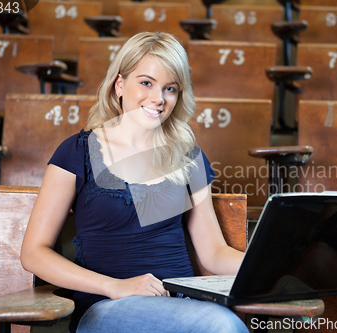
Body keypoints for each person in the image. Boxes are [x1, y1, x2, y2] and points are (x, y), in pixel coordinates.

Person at [20, 32, 248, 333]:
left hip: (184, 303)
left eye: (170, 88)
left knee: (221, 323)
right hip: (107, 307)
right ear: (119, 85)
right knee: (222, 326)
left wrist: (270, 266)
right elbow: (33, 252)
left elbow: (213, 253)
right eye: (146, 83)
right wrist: (115, 286)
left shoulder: (188, 157)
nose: (158, 98)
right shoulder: (77, 151)